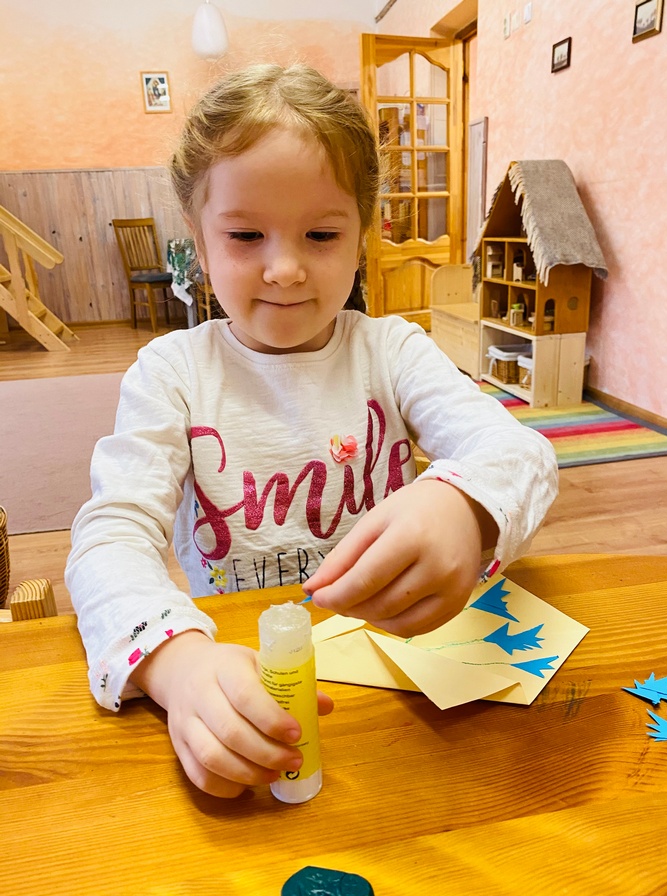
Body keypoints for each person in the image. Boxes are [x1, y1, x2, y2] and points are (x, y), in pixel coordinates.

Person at [66, 63, 558, 799]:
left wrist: (464, 505)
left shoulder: (393, 350)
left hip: (398, 687)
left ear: (362, 239)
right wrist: (177, 663)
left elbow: (522, 454)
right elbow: (110, 535)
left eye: (321, 233)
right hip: (244, 680)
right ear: (199, 243)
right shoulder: (172, 372)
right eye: (245, 235)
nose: (286, 269)